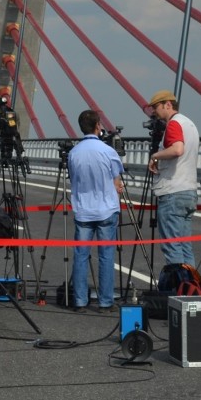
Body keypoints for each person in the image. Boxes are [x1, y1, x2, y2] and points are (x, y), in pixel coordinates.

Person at [67, 110, 124, 313]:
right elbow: (117, 179)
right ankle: (105, 301)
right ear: (98, 125)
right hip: (107, 209)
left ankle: (80, 300)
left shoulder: (74, 152)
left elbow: (73, 179)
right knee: (106, 256)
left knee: (81, 256)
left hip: (83, 209)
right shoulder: (108, 151)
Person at [147, 90, 200, 266]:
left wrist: (155, 155)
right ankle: (190, 289)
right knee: (185, 246)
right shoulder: (190, 124)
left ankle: (179, 286)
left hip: (173, 192)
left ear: (168, 104)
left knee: (172, 246)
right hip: (189, 191)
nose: (154, 112)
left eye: (156, 107)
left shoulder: (174, 124)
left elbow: (177, 149)